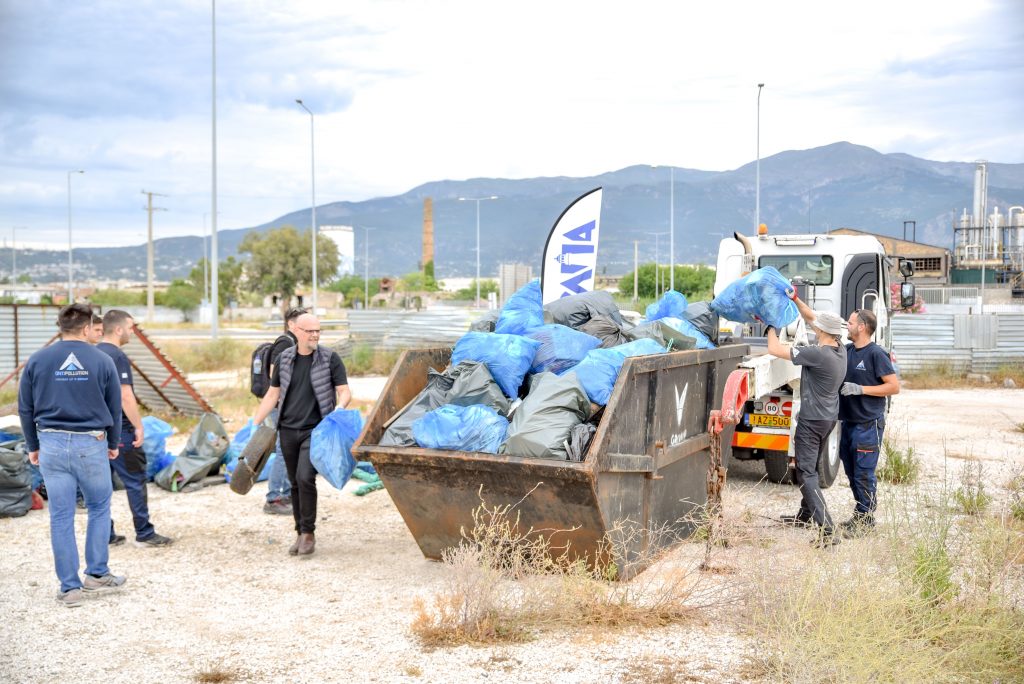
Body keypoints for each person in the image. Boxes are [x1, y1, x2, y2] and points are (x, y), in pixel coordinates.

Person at [18, 303, 127, 607]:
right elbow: (114, 407)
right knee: (99, 507)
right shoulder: (102, 360)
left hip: (50, 443)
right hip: (90, 443)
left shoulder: (38, 359)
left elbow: (25, 407)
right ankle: (97, 573)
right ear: (85, 328)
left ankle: (70, 588)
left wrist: (33, 446)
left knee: (61, 516)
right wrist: (114, 442)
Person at [252, 313, 351, 557]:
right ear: (297, 331)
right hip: (287, 430)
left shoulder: (330, 359)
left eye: (318, 330)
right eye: (310, 331)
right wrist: (255, 424)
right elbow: (273, 395)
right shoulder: (284, 359)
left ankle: (308, 533)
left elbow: (345, 391)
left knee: (306, 477)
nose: (315, 335)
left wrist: (338, 410)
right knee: (294, 481)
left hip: (315, 431)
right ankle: (299, 531)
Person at [765, 293, 847, 548]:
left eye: (817, 325)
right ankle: (806, 514)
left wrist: (771, 323)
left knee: (805, 473)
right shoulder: (839, 349)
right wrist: (796, 299)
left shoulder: (817, 354)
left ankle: (828, 530)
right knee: (810, 467)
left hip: (811, 421)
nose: (813, 324)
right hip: (828, 418)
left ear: (822, 331)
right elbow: (812, 318)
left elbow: (774, 349)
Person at [97, 310, 173, 548]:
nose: (132, 332)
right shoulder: (116, 356)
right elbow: (125, 395)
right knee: (134, 480)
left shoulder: (92, 354)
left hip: (96, 432)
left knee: (100, 485)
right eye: (131, 327)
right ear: (118, 329)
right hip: (120, 432)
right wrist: (138, 426)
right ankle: (144, 533)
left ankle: (105, 534)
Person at [837, 308, 900, 537]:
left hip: (867, 425)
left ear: (862, 327)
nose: (848, 325)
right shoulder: (848, 350)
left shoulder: (876, 354)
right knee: (852, 472)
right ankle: (860, 514)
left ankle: (866, 521)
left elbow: (894, 386)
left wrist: (861, 389)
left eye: (851, 322)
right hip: (849, 423)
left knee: (864, 472)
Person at [261, 307, 305, 516]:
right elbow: (274, 375)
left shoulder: (295, 343)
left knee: (290, 450)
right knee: (282, 450)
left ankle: (286, 493)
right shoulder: (284, 343)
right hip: (280, 406)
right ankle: (274, 498)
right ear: (291, 325)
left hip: (290, 406)